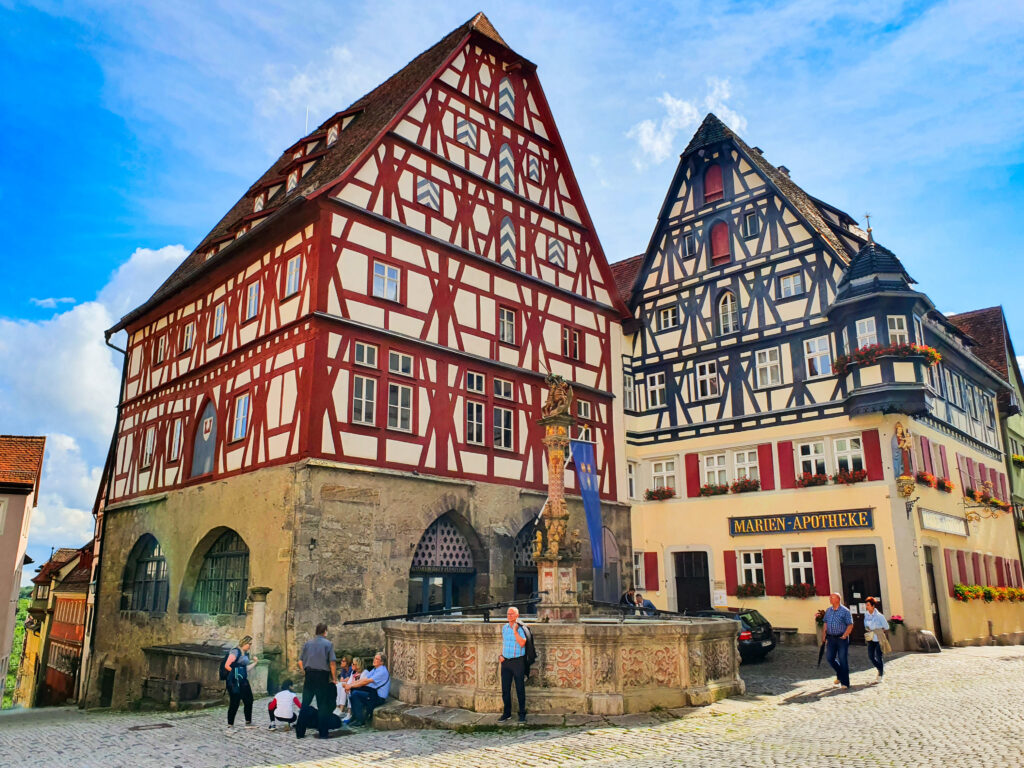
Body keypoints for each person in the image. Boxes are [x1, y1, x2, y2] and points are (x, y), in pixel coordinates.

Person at [296, 622, 337, 739]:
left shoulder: (307, 644)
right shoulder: (328, 644)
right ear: (325, 632)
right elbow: (332, 663)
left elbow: (300, 661)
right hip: (322, 676)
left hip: (309, 675)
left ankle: (300, 732)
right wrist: (334, 678)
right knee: (322, 705)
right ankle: (323, 732)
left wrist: (305, 672)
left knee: (305, 704)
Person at [498, 606, 527, 723]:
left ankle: (522, 714)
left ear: (517, 616)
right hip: (506, 661)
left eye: (512, 614)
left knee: (520, 688)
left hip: (517, 661)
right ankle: (507, 713)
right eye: (508, 614)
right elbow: (504, 642)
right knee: (505, 689)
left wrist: (515, 631)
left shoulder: (521, 628)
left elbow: (522, 643)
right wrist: (501, 655)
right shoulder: (504, 627)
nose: (509, 616)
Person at [345, 651, 390, 727]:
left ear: (382, 662)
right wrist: (350, 685)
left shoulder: (382, 671)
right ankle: (354, 716)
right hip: (373, 692)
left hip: (378, 697)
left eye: (376, 659)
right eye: (374, 658)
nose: (374, 660)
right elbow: (363, 679)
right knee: (353, 690)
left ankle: (360, 720)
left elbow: (366, 681)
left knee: (356, 694)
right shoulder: (375, 669)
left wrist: (351, 686)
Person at [821, 592, 854, 690]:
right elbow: (825, 623)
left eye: (832, 597)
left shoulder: (845, 611)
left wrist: (845, 635)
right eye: (830, 597)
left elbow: (850, 624)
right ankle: (840, 673)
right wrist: (824, 635)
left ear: (838, 599)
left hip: (841, 638)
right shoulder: (828, 610)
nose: (830, 599)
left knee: (843, 659)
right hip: (831, 638)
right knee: (830, 658)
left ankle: (845, 683)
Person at [224, 635, 257, 731]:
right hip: (234, 681)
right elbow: (227, 665)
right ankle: (230, 724)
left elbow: (245, 669)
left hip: (243, 680)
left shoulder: (245, 653)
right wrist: (235, 674)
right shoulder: (235, 651)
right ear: (244, 643)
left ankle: (248, 722)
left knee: (249, 700)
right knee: (235, 702)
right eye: (249, 644)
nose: (250, 646)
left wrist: (255, 663)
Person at [863, 597, 890, 683]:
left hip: (878, 638)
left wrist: (879, 631)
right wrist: (867, 628)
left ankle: (880, 674)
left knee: (879, 656)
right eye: (866, 605)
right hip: (870, 638)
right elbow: (865, 624)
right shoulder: (866, 615)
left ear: (873, 606)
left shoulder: (879, 616)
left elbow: (886, 626)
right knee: (871, 656)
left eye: (868, 605)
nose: (866, 607)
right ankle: (880, 668)